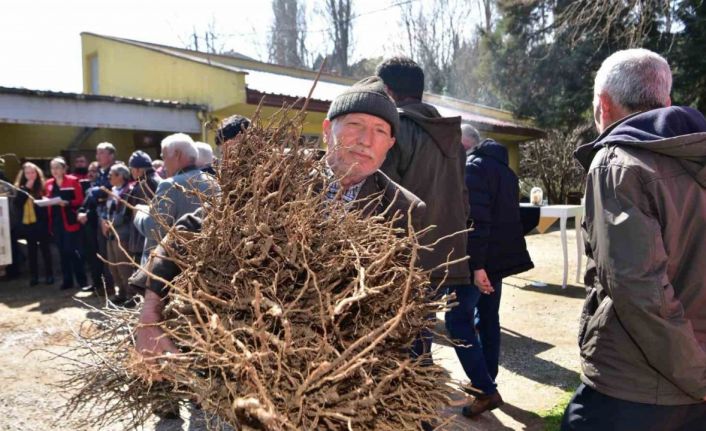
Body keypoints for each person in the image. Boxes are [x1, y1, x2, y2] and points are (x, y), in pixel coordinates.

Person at [130, 76, 425, 364]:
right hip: (255, 358)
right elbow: (187, 232)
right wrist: (149, 317)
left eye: (380, 130)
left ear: (390, 144)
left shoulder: (404, 210)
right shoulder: (273, 182)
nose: (365, 140)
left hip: (346, 373)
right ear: (327, 130)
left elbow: (407, 309)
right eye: (354, 125)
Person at [561, 48, 706, 430]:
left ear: (603, 106)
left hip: (635, 387)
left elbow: (637, 289)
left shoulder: (616, 163)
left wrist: (697, 376)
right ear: (666, 101)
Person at [375, 56, 475, 401]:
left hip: (403, 257)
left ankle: (416, 413)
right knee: (421, 335)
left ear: (388, 91)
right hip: (443, 255)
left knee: (402, 344)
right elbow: (462, 197)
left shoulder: (397, 130)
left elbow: (381, 197)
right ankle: (421, 409)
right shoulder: (451, 135)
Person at [462, 138, 534, 417]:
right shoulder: (507, 172)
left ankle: (484, 387)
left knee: (460, 320)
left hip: (479, 264)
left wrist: (476, 265)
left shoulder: (474, 167)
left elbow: (477, 221)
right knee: (489, 319)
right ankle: (485, 381)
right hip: (498, 261)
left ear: (468, 144)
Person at [133, 133, 218, 266]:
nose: (164, 163)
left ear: (177, 154)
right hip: (204, 263)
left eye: (164, 157)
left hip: (170, 266)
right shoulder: (212, 182)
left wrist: (139, 213)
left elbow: (154, 229)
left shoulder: (170, 185)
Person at [77, 143, 116, 295]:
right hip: (96, 218)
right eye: (97, 153)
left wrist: (95, 192)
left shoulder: (115, 170)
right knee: (95, 254)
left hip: (109, 219)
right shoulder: (100, 172)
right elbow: (92, 195)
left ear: (111, 155)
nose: (97, 156)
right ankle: (100, 286)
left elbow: (103, 192)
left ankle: (111, 287)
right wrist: (83, 211)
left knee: (108, 256)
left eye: (101, 153)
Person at [45, 157, 87, 290]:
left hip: (70, 220)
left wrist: (67, 203)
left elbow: (80, 200)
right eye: (53, 168)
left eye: (58, 167)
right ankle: (67, 281)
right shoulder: (49, 183)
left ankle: (82, 281)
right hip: (56, 222)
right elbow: (48, 198)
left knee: (72, 251)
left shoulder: (73, 181)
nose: (55, 170)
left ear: (64, 169)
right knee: (62, 253)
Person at [13, 162, 54, 286]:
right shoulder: (20, 187)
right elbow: (17, 204)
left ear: (37, 173)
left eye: (32, 172)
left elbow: (48, 200)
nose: (30, 175)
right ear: (23, 175)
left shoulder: (43, 185)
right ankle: (34, 276)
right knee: (31, 251)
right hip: (28, 224)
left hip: (41, 222)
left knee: (46, 250)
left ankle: (49, 275)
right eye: (27, 173)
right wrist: (26, 188)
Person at [103, 163, 137, 305]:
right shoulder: (113, 190)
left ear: (121, 176)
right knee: (113, 266)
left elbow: (124, 214)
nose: (109, 177)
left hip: (122, 234)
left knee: (125, 266)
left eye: (112, 174)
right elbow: (106, 209)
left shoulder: (128, 191)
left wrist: (109, 223)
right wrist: (103, 221)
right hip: (110, 234)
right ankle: (121, 293)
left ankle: (131, 295)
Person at [126, 150, 162, 264]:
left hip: (144, 240)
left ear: (138, 169)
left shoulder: (144, 184)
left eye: (131, 169)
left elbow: (139, 213)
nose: (131, 172)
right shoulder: (157, 179)